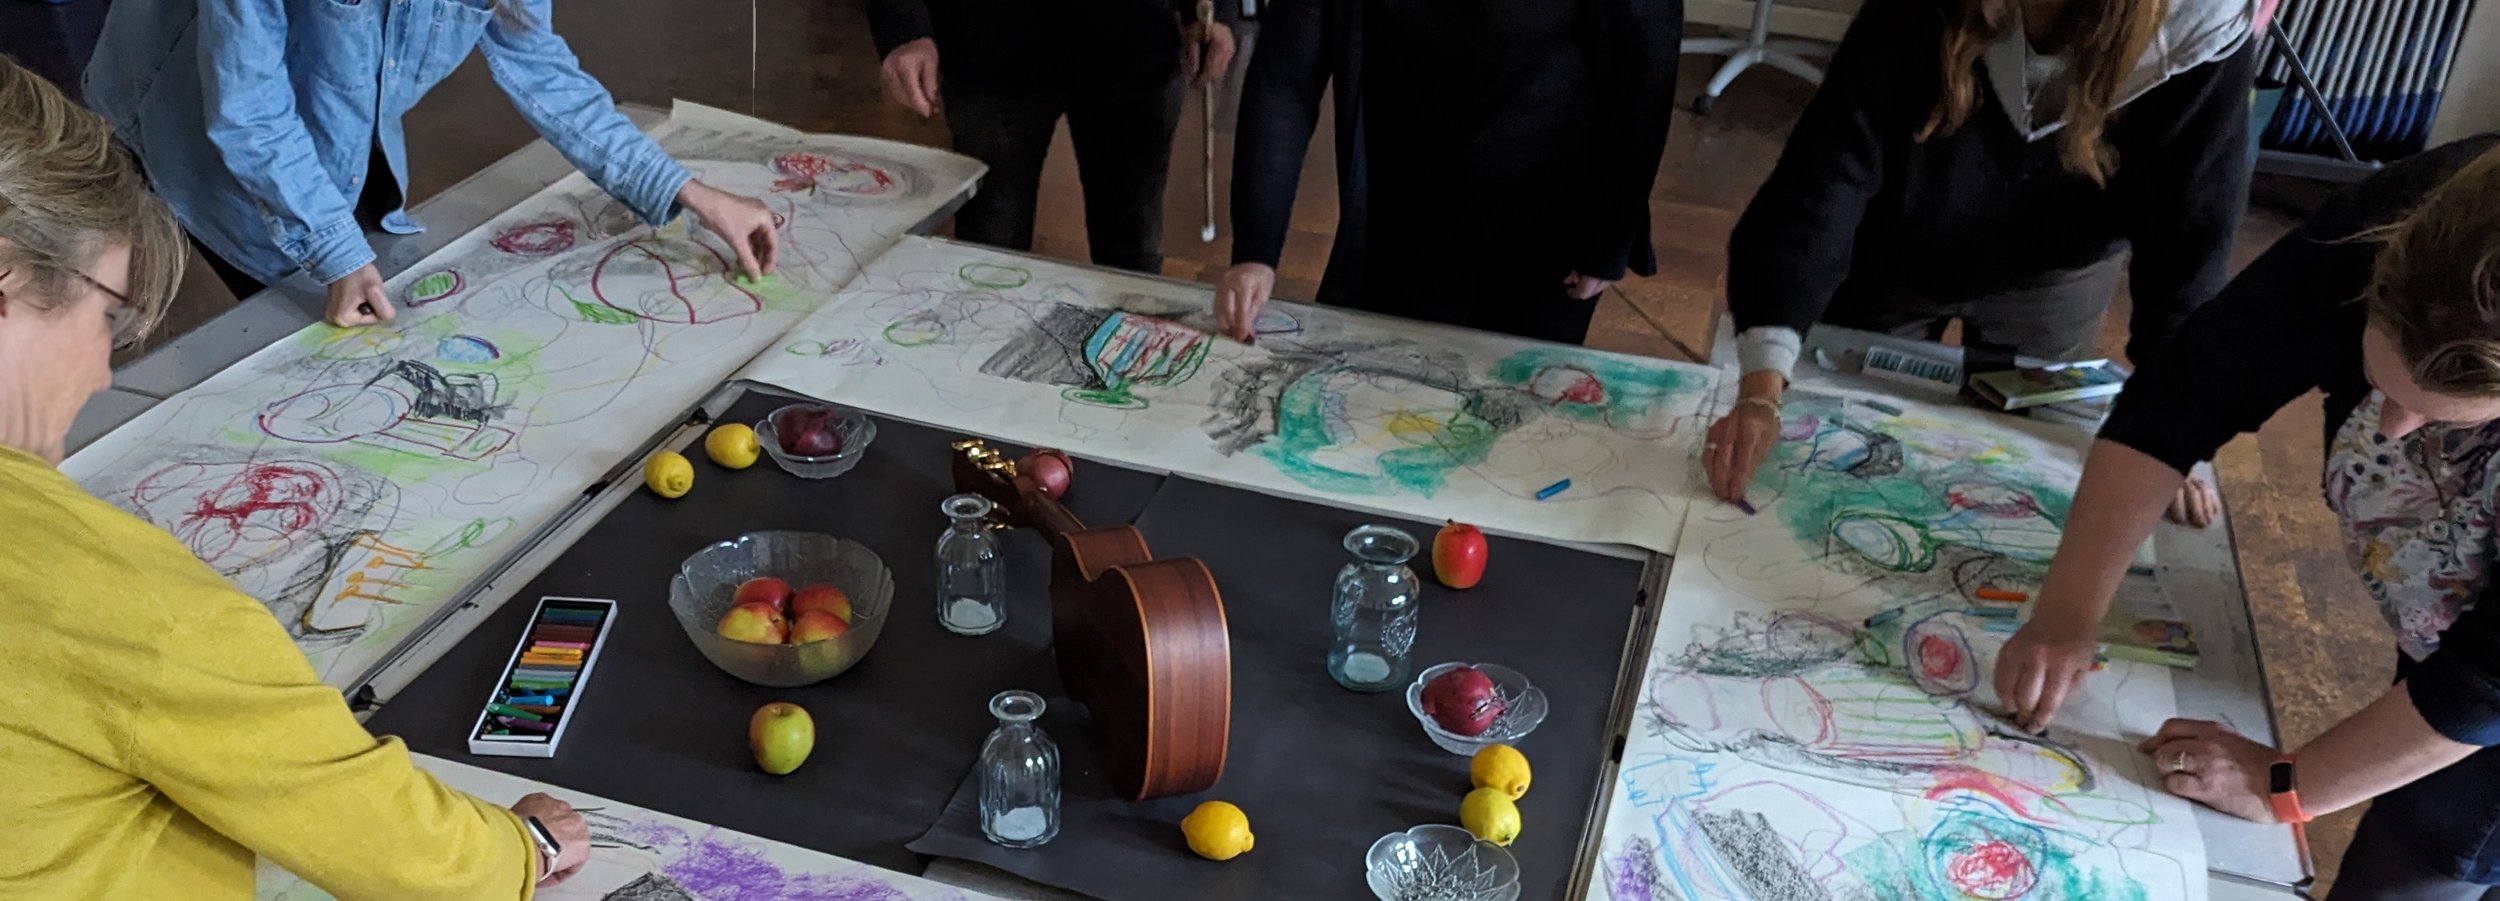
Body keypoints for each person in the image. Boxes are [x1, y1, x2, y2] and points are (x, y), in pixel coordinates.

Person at [0, 57, 588, 899]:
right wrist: (521, 845)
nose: (101, 373)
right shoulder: (126, 608)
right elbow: (391, 845)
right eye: (109, 315)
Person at [1996, 135, 2500, 900]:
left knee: (2434, 844)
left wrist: (2286, 787)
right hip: (2448, 618)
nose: (2391, 428)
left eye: (2440, 418)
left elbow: (2487, 681)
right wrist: (2066, 611)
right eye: (2379, 384)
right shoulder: (2406, 226)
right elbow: (2184, 394)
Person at [1700, 0, 2259, 527]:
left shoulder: (2199, 27)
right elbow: (1823, 177)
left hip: (2058, 271)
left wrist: (2174, 433)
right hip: (1893, 245)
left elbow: (2190, 247)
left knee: (2019, 463)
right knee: (1834, 431)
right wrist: (1762, 384)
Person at [82, 0, 780, 327]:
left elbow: (538, 64)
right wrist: (331, 249)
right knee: (286, 318)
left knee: (348, 272)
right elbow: (247, 109)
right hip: (177, 115)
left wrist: (683, 189)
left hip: (330, 105)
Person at [1211, 0, 1684, 346]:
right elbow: (1285, 82)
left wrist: (1608, 241)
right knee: (1385, 388)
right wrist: (1257, 251)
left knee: (1511, 413)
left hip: (1553, 217)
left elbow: (1645, 76)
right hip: (1403, 204)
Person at [867, 0, 1234, 274]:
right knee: (990, 256)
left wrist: (1215, 9)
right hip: (989, 50)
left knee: (1131, 259)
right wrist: (903, 25)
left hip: (1134, 48)